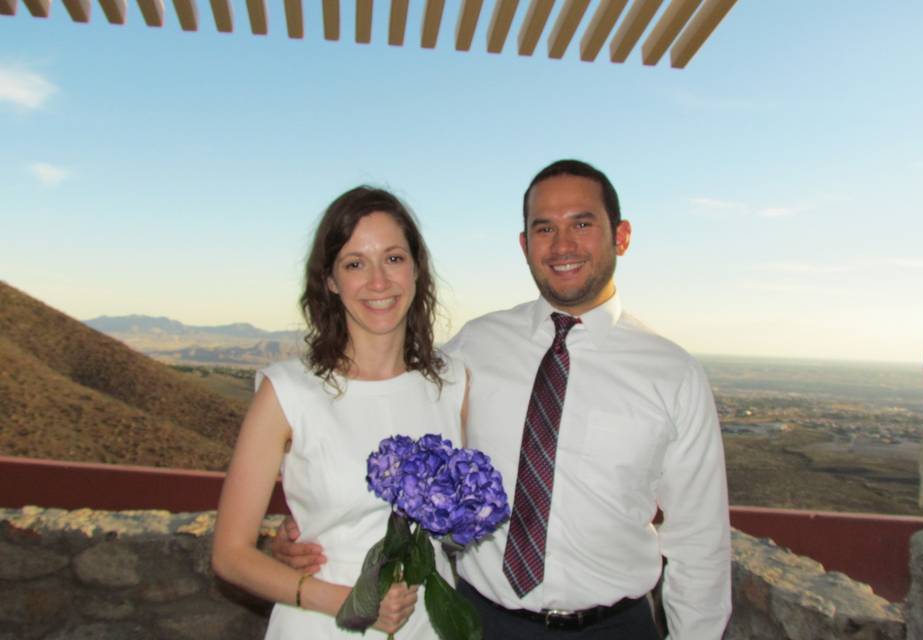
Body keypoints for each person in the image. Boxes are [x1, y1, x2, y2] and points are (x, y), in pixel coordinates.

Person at [273, 160, 732, 639]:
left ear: (621, 236)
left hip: (614, 627)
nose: (563, 245)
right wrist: (311, 527)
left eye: (582, 223)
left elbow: (699, 543)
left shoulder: (673, 375)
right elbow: (389, 423)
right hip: (479, 622)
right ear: (524, 245)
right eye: (544, 229)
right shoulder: (474, 347)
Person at [212, 186, 467, 639]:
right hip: (324, 625)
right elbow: (230, 554)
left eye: (393, 258)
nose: (378, 282)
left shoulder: (453, 384)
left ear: (416, 268)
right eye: (355, 263)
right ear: (329, 280)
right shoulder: (288, 392)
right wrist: (349, 602)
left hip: (432, 625)